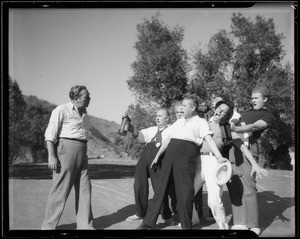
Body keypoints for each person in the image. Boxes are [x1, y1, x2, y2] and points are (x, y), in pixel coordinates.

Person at [137, 94, 228, 229]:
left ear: (193, 107)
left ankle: (186, 226)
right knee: (160, 190)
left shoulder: (200, 122)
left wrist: (220, 157)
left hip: (186, 157)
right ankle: (148, 223)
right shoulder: (178, 122)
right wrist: (157, 157)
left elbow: (208, 139)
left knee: (185, 193)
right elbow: (167, 140)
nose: (182, 108)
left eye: (185, 105)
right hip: (169, 156)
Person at [41, 85, 94, 230]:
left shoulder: (85, 115)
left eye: (88, 96)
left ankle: (85, 226)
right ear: (76, 98)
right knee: (60, 190)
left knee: (85, 189)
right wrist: (52, 156)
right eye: (86, 96)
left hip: (82, 150)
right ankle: (48, 227)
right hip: (67, 149)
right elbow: (50, 135)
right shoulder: (61, 110)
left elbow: (85, 135)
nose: (89, 98)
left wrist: (83, 152)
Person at [228, 86, 274, 235]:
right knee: (235, 187)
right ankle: (239, 222)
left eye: (256, 98)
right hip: (233, 149)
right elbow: (234, 121)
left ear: (264, 99)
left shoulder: (267, 115)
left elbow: (254, 127)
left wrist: (235, 129)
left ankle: (253, 225)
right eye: (252, 98)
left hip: (249, 151)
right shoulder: (246, 113)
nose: (252, 100)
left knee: (248, 188)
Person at [193, 101, 238, 229]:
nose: (219, 111)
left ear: (227, 115)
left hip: (213, 162)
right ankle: (193, 219)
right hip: (198, 162)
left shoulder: (226, 127)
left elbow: (234, 142)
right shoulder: (204, 122)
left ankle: (223, 227)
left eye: (223, 111)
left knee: (213, 200)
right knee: (187, 194)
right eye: (219, 108)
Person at [125, 108, 174, 226]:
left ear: (167, 118)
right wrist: (131, 128)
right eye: (156, 115)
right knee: (138, 184)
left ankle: (166, 215)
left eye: (160, 116)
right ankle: (140, 212)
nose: (157, 117)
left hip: (160, 158)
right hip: (145, 157)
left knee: (159, 188)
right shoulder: (151, 129)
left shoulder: (173, 129)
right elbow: (140, 137)